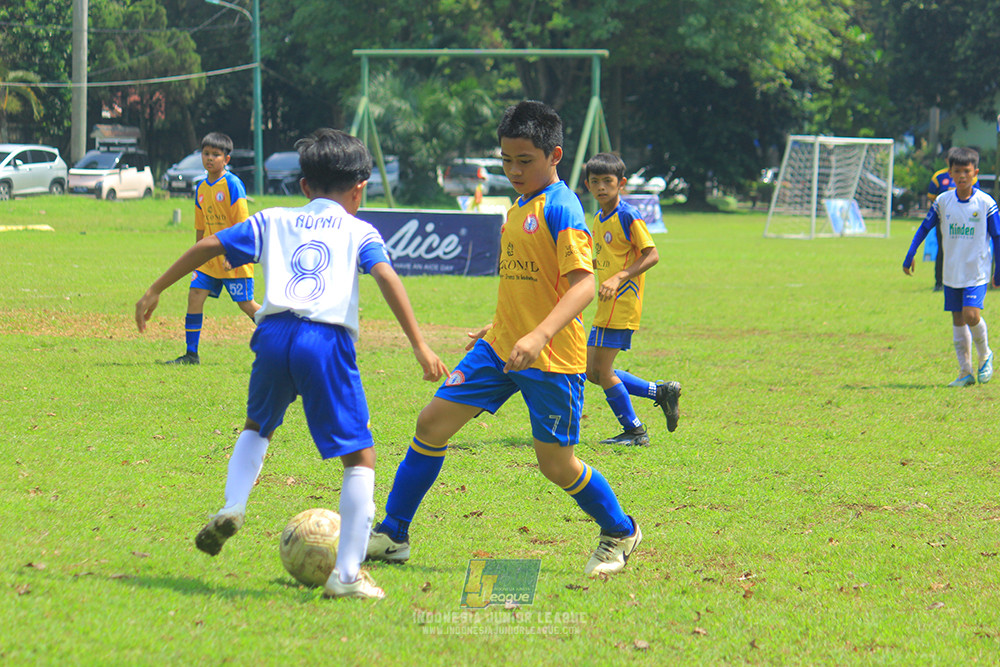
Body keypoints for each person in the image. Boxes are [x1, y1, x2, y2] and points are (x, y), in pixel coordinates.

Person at [135, 128, 448, 599]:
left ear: (304, 186)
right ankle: (346, 577)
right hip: (325, 339)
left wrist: (155, 288)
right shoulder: (359, 229)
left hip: (272, 332)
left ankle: (234, 504)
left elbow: (208, 248)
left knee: (257, 425)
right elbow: (385, 274)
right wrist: (420, 345)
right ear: (359, 189)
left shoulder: (275, 218)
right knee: (360, 456)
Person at [366, 101, 642, 577]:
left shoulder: (562, 207)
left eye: (524, 161)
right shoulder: (516, 208)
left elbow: (581, 286)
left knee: (556, 465)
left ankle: (620, 530)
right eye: (506, 160)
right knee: (431, 423)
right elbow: (527, 282)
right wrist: (500, 327)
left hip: (551, 356)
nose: (513, 170)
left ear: (554, 155)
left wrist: (537, 334)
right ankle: (393, 533)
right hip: (499, 348)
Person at [583, 152, 680, 446]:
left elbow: (652, 254)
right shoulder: (599, 218)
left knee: (602, 371)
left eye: (608, 181)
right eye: (595, 181)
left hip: (623, 300)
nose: (602, 187)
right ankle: (659, 392)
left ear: (621, 183)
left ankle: (635, 431)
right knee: (592, 372)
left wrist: (619, 277)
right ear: (588, 185)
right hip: (606, 302)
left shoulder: (627, 215)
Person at [903, 146, 1000, 387]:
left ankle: (985, 354)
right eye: (957, 171)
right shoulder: (943, 201)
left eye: (967, 171)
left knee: (971, 315)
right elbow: (925, 227)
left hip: (976, 271)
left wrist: (999, 270)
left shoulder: (986, 203)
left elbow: (997, 237)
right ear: (950, 172)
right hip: (951, 271)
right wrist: (910, 253)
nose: (962, 176)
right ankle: (964, 372)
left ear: (975, 172)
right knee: (958, 320)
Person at [166, 132, 261, 365]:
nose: (210, 158)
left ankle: (283, 336)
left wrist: (236, 254)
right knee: (195, 295)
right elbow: (200, 226)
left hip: (232, 257)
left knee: (246, 305)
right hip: (209, 259)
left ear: (226, 159)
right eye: (206, 153)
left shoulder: (232, 184)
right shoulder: (200, 187)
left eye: (216, 155)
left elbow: (242, 225)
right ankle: (191, 354)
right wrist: (197, 254)